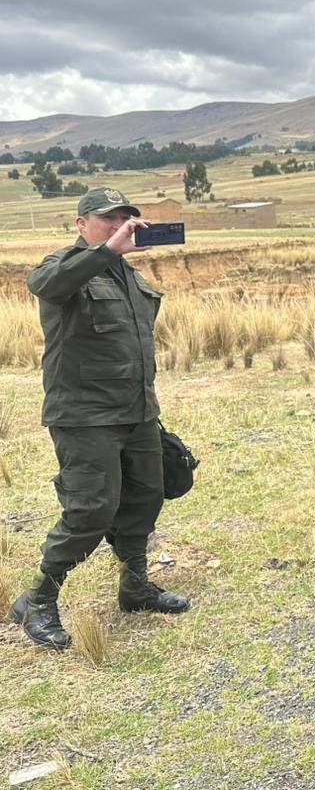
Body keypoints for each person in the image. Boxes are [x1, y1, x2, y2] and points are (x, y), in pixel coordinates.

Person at [8, 187, 189, 651]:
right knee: (90, 510)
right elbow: (46, 285)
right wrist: (106, 251)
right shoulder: (62, 268)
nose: (118, 224)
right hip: (85, 417)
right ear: (80, 223)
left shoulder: (129, 277)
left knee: (144, 500)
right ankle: (38, 599)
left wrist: (148, 409)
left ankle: (135, 587)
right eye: (108, 218)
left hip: (138, 413)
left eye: (125, 217)